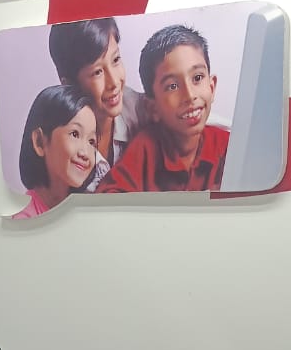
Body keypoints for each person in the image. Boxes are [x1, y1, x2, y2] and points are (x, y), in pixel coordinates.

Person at [98, 26, 228, 195]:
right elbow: (107, 197)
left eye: (197, 78)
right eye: (172, 86)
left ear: (212, 87)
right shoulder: (146, 148)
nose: (189, 95)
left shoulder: (228, 146)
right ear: (152, 108)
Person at [48, 17, 147, 190]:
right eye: (97, 72)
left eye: (116, 60)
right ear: (68, 84)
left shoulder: (143, 110)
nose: (114, 82)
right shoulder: (60, 146)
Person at [13, 85, 98, 219]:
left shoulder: (86, 213)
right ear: (40, 142)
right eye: (75, 134)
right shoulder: (26, 220)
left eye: (91, 141)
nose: (85, 153)